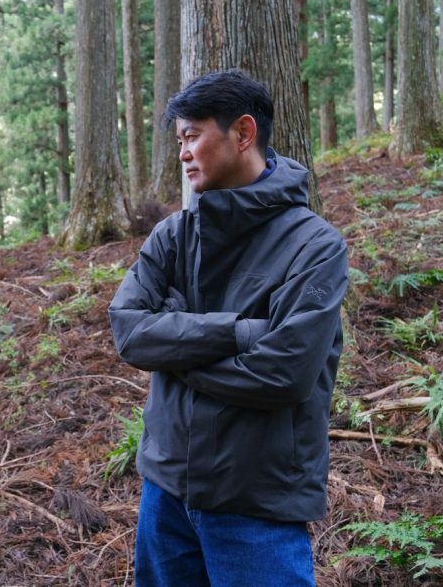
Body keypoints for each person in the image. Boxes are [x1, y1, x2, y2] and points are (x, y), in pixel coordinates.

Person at [108, 70, 348, 586]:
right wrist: (241, 333)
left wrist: (175, 352)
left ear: (243, 134)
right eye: (179, 140)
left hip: (256, 503)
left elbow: (285, 374)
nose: (183, 153)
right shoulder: (173, 235)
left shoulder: (315, 247)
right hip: (165, 494)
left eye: (193, 136)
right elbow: (129, 329)